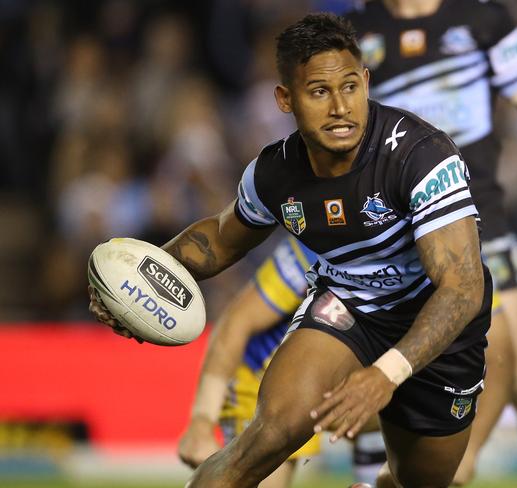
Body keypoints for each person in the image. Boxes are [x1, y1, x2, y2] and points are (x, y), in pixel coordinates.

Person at [90, 13, 494, 487]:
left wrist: (385, 374)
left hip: (441, 327)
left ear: (365, 81)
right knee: (267, 436)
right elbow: (219, 241)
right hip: (349, 310)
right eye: (319, 92)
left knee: (422, 483)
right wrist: (135, 279)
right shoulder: (274, 175)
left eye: (349, 86)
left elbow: (462, 288)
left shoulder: (422, 155)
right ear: (286, 98)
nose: (341, 107)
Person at [344, 1, 517, 487]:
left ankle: (459, 472)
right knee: (384, 375)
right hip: (395, 239)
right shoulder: (356, 32)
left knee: (516, 371)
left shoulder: (483, 20)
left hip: (482, 225)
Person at [177, 235, 387, 487]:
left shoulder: (423, 251)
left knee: (408, 414)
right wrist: (202, 420)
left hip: (333, 379)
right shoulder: (316, 247)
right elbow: (237, 321)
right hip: (265, 382)